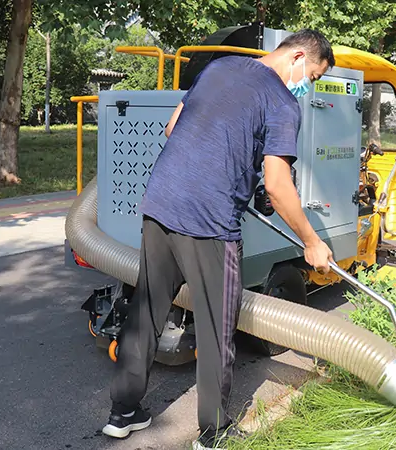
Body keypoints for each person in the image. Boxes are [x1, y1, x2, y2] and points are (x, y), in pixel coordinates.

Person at [100, 29, 337, 450]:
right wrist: (311, 240)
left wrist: (232, 167)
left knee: (147, 313)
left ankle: (123, 415)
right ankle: (213, 433)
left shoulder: (219, 67)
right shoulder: (282, 103)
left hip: (160, 204)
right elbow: (279, 186)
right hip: (209, 223)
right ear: (299, 57)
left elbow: (174, 128)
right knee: (215, 331)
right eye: (314, 77)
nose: (308, 85)